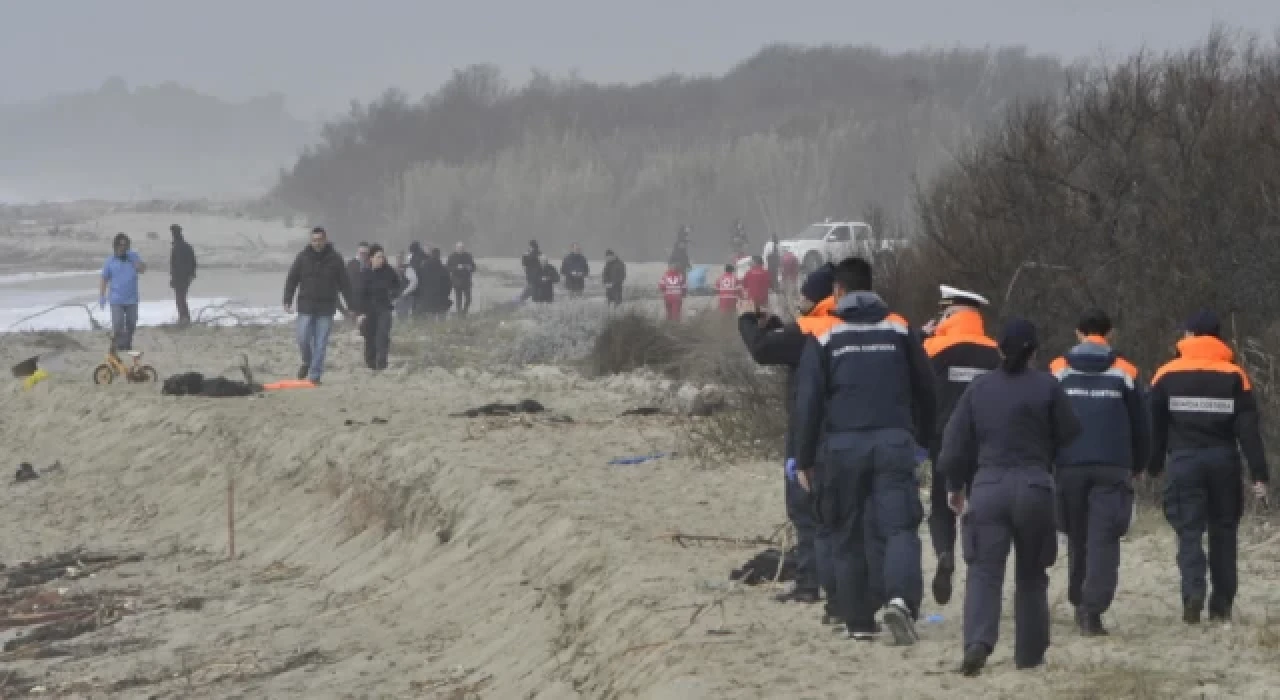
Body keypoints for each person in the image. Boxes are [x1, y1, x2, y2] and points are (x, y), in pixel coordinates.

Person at [792, 257, 936, 644]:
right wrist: (923, 439)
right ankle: (901, 601)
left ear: (837, 291)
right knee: (899, 527)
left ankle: (858, 621)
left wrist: (804, 458)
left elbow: (808, 403)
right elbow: (926, 387)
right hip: (894, 442)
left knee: (846, 530)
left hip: (842, 447)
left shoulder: (824, 335)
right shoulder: (899, 328)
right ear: (872, 288)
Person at [938, 318, 1082, 676]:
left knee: (984, 572)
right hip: (1035, 488)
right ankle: (1029, 654)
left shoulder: (979, 389)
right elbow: (1071, 433)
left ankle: (977, 643)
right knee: (1032, 575)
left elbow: (954, 447)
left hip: (988, 488)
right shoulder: (1048, 387)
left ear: (999, 349)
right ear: (1034, 351)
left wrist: (955, 485)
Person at [1148, 310, 1270, 624]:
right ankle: (1222, 605)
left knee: (1188, 532)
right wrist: (1259, 473)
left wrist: (1153, 463)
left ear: (1191, 336)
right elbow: (1249, 431)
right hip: (1224, 462)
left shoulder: (1165, 374)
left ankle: (1193, 593)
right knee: (1224, 533)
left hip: (1184, 461)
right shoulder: (1235, 375)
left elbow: (1155, 426)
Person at [738, 264, 841, 607]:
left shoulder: (812, 328)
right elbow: (790, 343)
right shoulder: (848, 325)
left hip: (808, 432)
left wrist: (747, 321)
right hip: (847, 432)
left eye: (804, 295)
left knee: (803, 508)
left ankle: (809, 583)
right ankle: (840, 581)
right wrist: (779, 328)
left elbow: (764, 350)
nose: (799, 300)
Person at [1048, 308, 1149, 636]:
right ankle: (1092, 611)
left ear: (1078, 332)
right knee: (1104, 539)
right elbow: (1141, 423)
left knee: (1077, 536)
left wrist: (1049, 460)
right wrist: (1139, 464)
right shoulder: (1126, 371)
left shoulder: (1057, 369)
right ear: (1110, 333)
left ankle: (1079, 597)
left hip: (1069, 465)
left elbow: (1045, 417)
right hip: (1112, 465)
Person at [921, 284, 1002, 607]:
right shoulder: (996, 352)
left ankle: (945, 553)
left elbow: (920, 393)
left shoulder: (933, 348)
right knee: (978, 506)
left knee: (942, 504)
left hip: (943, 438)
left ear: (951, 313)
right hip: (986, 441)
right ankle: (976, 565)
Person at [283, 226, 354, 384]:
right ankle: (307, 361)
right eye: (314, 240)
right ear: (310, 240)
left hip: (326, 307)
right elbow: (292, 279)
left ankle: (315, 377)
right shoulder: (302, 257)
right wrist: (287, 300)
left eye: (320, 240)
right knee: (303, 338)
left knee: (321, 343)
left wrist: (351, 305)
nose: (317, 243)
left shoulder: (335, 259)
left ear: (325, 239)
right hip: (306, 305)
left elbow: (345, 284)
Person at [99, 233, 146, 351]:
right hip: (116, 299)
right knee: (118, 324)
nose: (122, 247)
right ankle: (117, 345)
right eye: (120, 245)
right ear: (115, 246)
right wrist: (102, 295)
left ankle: (127, 343)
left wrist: (138, 264)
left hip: (132, 298)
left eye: (125, 245)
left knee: (131, 323)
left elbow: (143, 270)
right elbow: (104, 278)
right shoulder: (110, 261)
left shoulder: (133, 256)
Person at [356, 245, 401, 371]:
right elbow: (360, 294)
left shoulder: (389, 271)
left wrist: (393, 294)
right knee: (370, 337)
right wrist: (360, 313)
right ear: (371, 258)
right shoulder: (365, 273)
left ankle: (382, 363)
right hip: (369, 310)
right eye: (378, 257)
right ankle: (371, 362)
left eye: (382, 257)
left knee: (383, 336)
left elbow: (397, 285)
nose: (381, 259)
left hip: (384, 308)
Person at [169, 224, 197, 326]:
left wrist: (173, 278)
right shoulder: (187, 246)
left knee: (180, 299)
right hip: (186, 277)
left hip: (180, 277)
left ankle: (184, 318)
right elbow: (193, 262)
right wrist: (192, 275)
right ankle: (185, 318)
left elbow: (174, 265)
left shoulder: (177, 247)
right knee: (182, 298)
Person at [420, 247, 453, 320]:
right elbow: (449, 284)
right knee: (442, 319)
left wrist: (423, 293)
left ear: (431, 255)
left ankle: (431, 330)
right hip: (441, 297)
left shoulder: (424, 267)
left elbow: (421, 281)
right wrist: (446, 294)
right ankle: (441, 330)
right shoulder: (443, 268)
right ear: (439, 256)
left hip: (428, 297)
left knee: (430, 319)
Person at [446, 242, 476, 316]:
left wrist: (470, 268)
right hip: (457, 281)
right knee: (458, 300)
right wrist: (456, 268)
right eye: (459, 248)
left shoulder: (468, 256)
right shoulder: (452, 256)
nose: (460, 249)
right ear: (456, 248)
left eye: (462, 248)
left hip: (467, 281)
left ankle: (464, 312)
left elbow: (474, 267)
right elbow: (447, 268)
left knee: (469, 299)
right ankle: (459, 314)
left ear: (464, 248)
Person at [345, 242, 370, 320]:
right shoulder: (351, 264)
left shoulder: (371, 264)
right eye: (361, 253)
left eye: (365, 253)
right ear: (358, 252)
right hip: (354, 302)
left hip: (368, 303)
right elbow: (346, 284)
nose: (363, 255)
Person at [395, 251, 417, 318]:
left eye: (400, 258)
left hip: (406, 297)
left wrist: (405, 292)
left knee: (403, 316)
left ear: (404, 259)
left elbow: (414, 282)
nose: (399, 260)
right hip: (398, 297)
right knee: (400, 316)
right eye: (398, 258)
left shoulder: (408, 268)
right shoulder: (396, 269)